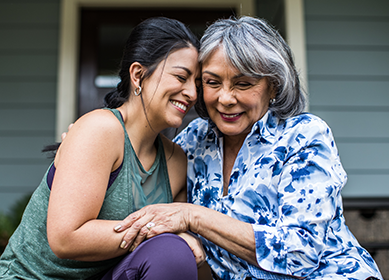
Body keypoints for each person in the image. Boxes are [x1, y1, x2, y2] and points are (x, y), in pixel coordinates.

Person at [114, 16, 383, 280]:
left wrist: (193, 218)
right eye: (212, 82)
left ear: (274, 87)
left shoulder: (303, 135)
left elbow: (300, 253)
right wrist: (94, 146)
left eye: (243, 84)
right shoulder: (194, 140)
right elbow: (144, 190)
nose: (226, 98)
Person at [0, 17, 206, 280]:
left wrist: (180, 237)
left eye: (197, 84)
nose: (192, 93)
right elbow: (66, 238)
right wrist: (160, 229)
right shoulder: (101, 129)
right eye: (181, 77)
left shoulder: (176, 162)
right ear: (138, 74)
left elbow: (183, 254)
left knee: (171, 253)